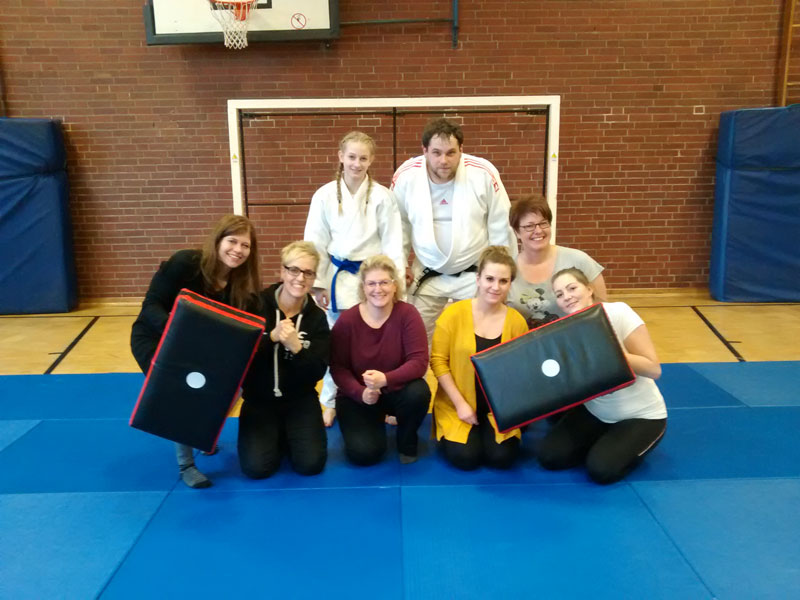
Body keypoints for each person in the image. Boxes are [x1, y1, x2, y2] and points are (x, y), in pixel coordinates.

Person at [130, 214, 261, 489]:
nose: (237, 250)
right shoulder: (185, 264)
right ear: (218, 240)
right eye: (232, 241)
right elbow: (151, 305)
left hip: (200, 349)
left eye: (245, 246)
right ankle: (186, 463)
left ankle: (202, 433)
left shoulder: (242, 290)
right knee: (185, 391)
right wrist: (179, 330)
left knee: (228, 386)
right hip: (155, 339)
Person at [304, 131, 405, 427]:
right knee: (337, 344)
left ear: (372, 160)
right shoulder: (323, 196)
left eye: (363, 158)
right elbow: (314, 241)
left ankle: (386, 401)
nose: (357, 164)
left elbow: (393, 243)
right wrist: (319, 283)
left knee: (379, 342)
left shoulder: (383, 197)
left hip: (373, 281)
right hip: (337, 279)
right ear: (340, 156)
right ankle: (331, 401)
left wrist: (394, 285)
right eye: (351, 157)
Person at [391, 118, 516, 343]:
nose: (444, 160)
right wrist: (401, 267)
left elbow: (500, 225)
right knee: (415, 339)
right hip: (426, 274)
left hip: (474, 274)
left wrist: (500, 274)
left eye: (451, 153)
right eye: (436, 153)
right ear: (425, 151)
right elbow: (398, 227)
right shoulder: (406, 176)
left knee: (477, 338)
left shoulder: (483, 173)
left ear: (461, 150)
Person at [537, 267, 667, 484]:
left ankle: (626, 444)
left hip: (641, 416)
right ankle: (604, 440)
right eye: (559, 294)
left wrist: (609, 349)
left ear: (589, 289)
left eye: (572, 288)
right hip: (597, 412)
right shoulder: (566, 330)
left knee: (601, 471)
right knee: (550, 458)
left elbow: (653, 369)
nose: (567, 297)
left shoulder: (618, 312)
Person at [238, 241, 330, 479]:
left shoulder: (317, 319)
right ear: (282, 271)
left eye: (308, 273)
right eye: (294, 270)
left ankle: (286, 433)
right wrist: (271, 338)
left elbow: (317, 371)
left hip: (299, 400)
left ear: (313, 278)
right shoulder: (255, 305)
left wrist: (297, 348)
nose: (300, 278)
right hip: (259, 401)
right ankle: (275, 435)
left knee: (311, 465)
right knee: (257, 469)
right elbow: (239, 358)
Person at [430, 246, 528, 470]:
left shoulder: (516, 322)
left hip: (498, 408)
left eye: (503, 281)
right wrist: (461, 405)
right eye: (489, 279)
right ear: (478, 279)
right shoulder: (452, 314)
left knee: (501, 459)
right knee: (466, 459)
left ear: (510, 284)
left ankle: (491, 429)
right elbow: (438, 362)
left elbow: (521, 371)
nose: (495, 287)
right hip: (458, 404)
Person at [329, 255, 430, 465]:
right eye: (372, 283)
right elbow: (338, 368)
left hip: (395, 390)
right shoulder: (347, 321)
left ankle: (407, 438)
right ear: (363, 288)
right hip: (358, 396)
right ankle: (370, 425)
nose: (378, 289)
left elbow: (419, 361)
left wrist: (386, 379)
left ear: (395, 286)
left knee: (419, 392)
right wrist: (361, 392)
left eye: (384, 282)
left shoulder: (407, 314)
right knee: (365, 454)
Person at [507, 193, 607, 329]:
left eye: (543, 223)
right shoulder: (507, 271)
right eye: (529, 226)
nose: (538, 230)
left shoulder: (579, 261)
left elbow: (603, 309)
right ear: (517, 232)